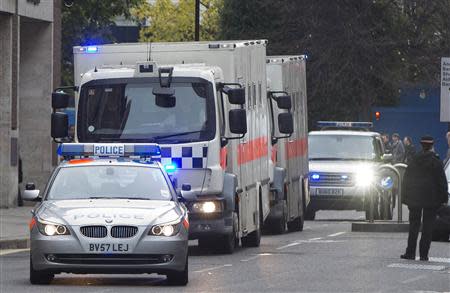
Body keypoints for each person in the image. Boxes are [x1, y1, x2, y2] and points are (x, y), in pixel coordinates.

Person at [400, 136, 448, 261]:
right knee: (427, 227)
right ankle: (424, 254)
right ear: (432, 146)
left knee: (414, 226)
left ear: (421, 145)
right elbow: (441, 182)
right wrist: (443, 198)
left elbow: (407, 179)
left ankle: (410, 253)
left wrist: (405, 197)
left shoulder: (414, 160)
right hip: (431, 200)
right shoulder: (436, 161)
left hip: (415, 198)